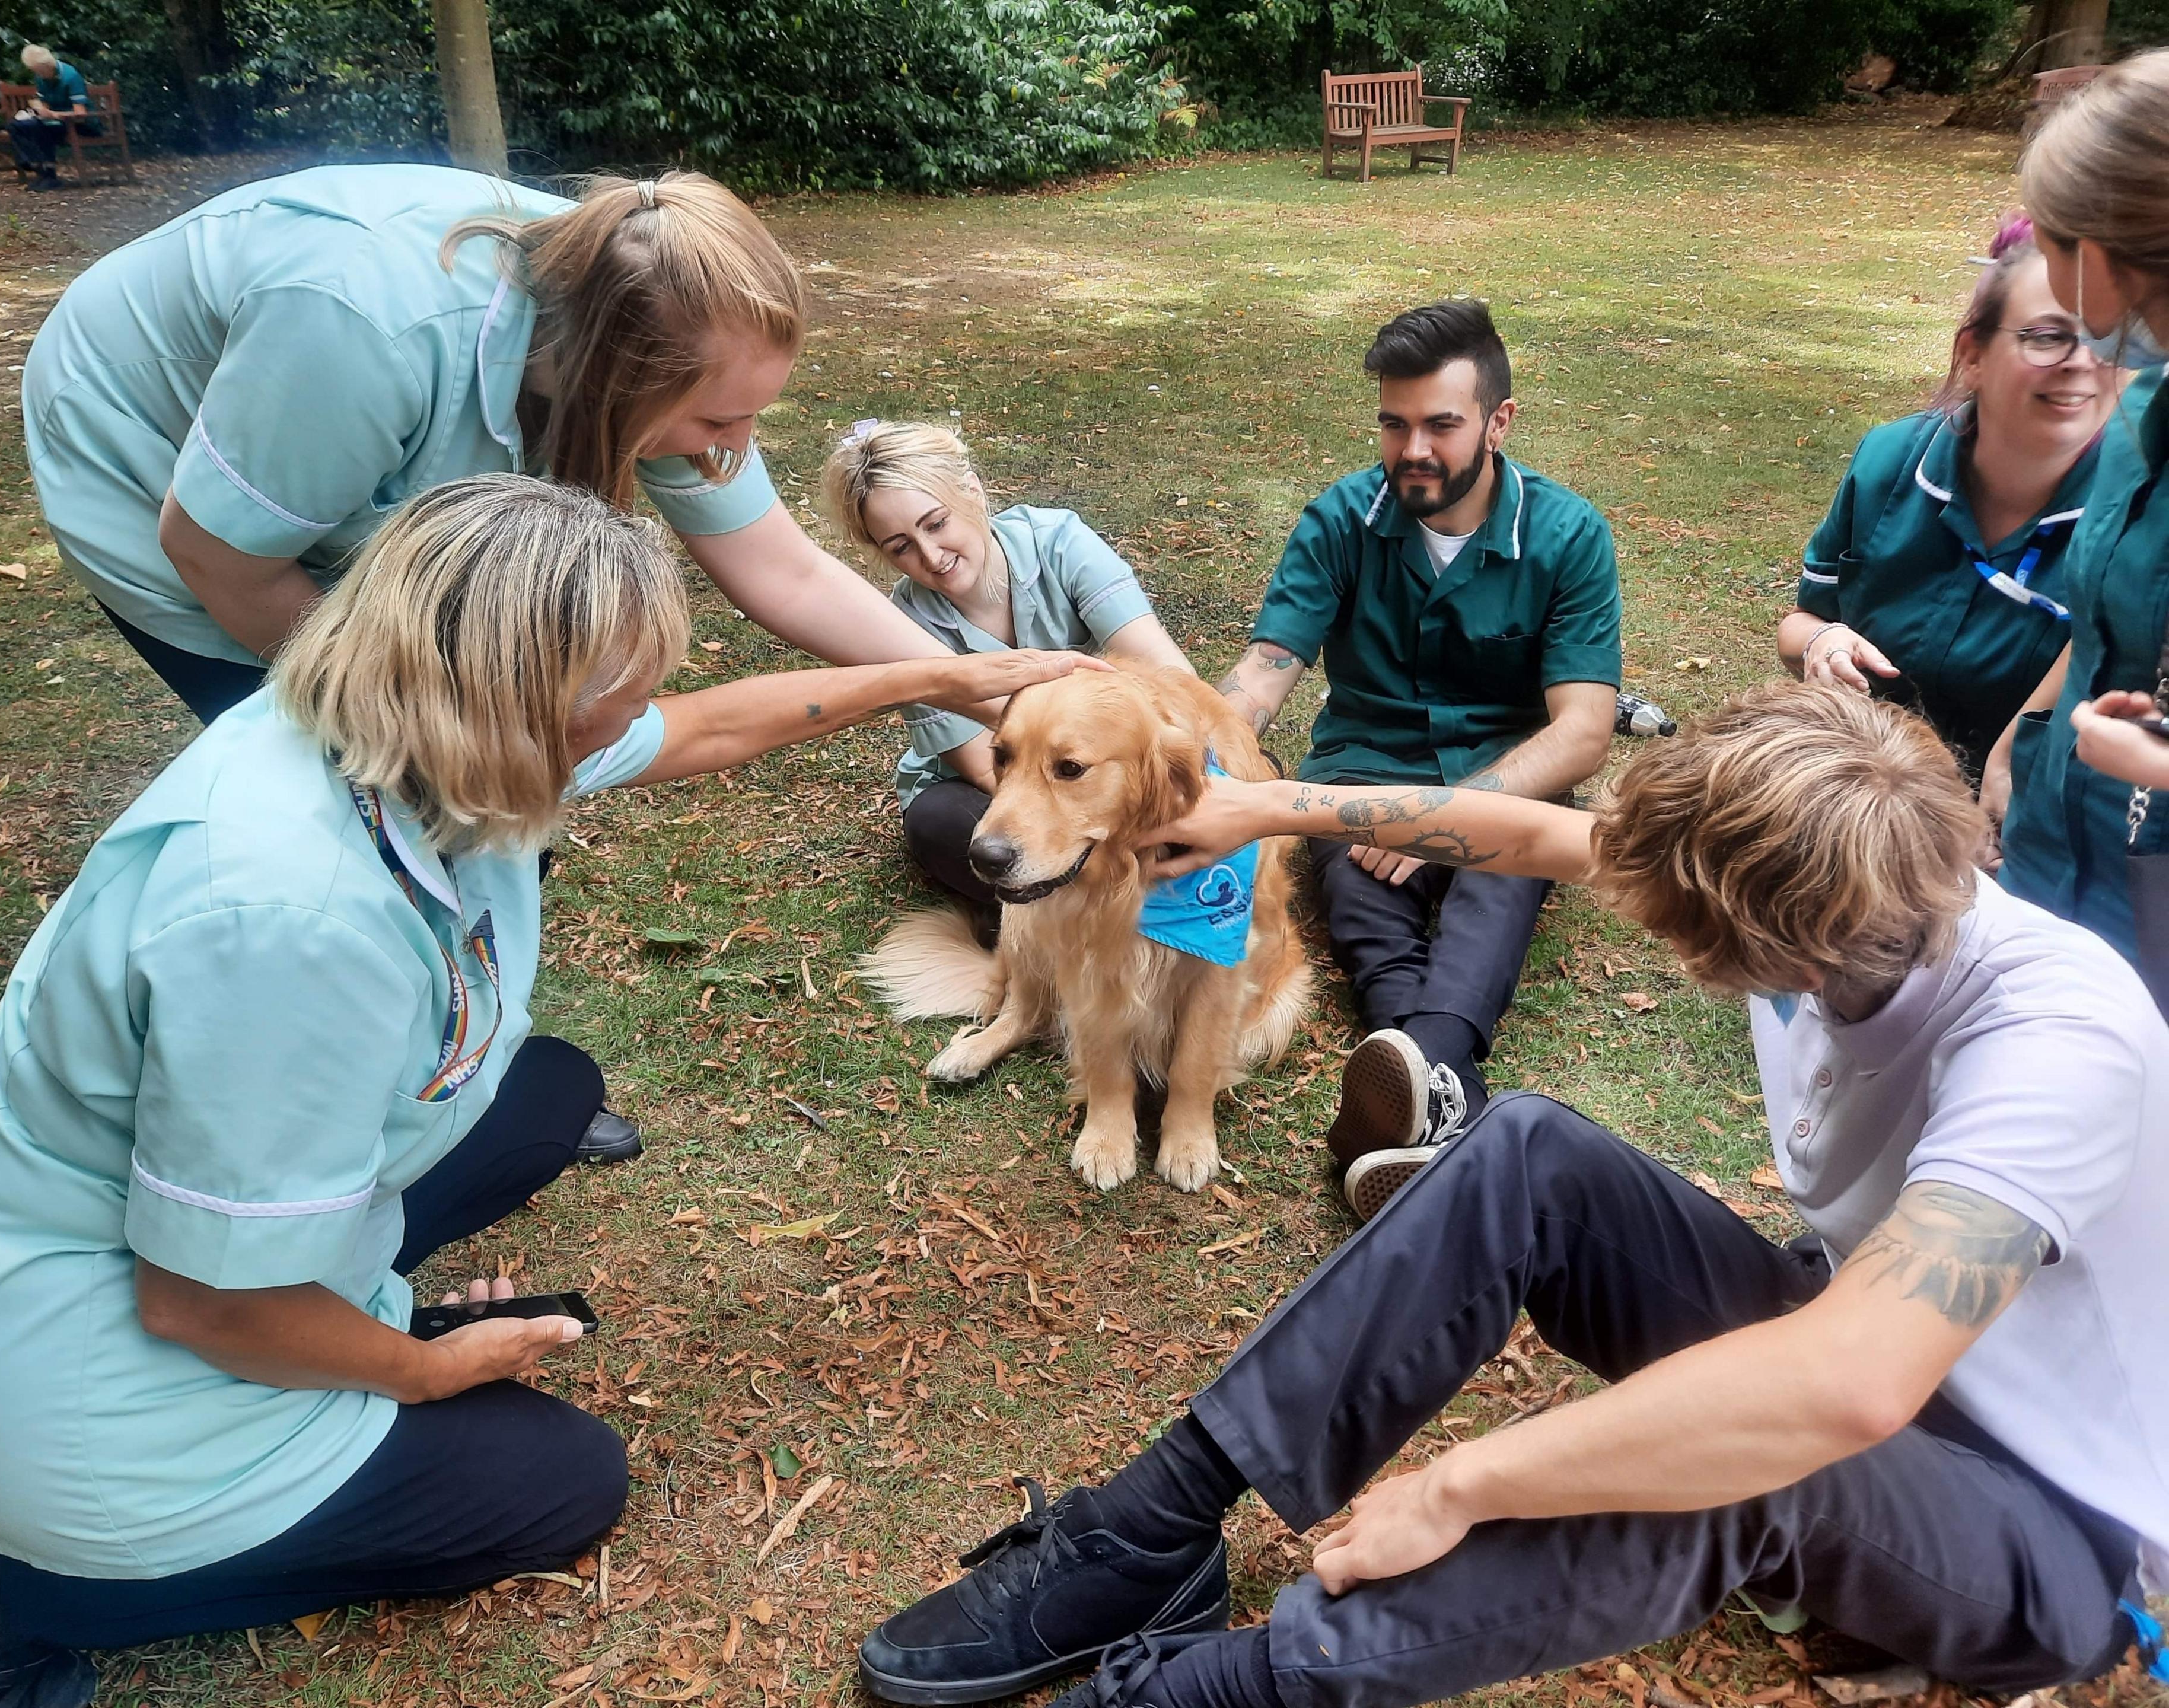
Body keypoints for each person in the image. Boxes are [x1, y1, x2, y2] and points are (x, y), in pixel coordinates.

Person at [0, 475, 1094, 1708]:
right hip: (72, 1374)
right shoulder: (290, 925)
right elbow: (202, 1303)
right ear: (517, 707)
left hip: (31, 1235)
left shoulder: (386, 715)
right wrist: (422, 1368)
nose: (635, 717)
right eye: (612, 697)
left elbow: (705, 730)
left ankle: (333, 1304)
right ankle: (3, 1587)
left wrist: (935, 680)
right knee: (557, 1482)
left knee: (547, 1092)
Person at [855, 683, 2167, 1708]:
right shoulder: (1837, 875)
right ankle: (1149, 1534)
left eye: (1674, 934)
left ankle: (1249, 1686)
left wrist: (1466, 1483)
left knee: (1757, 1459)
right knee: (1528, 1149)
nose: (1639, 922)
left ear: (1786, 950)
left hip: (2052, 1535)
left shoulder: (2060, 1039)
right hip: (1873, 1358)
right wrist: (1271, 809)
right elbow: (1536, 834)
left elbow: (1842, 1391)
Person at [21, 165, 985, 724]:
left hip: (335, 422)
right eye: (717, 423)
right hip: (141, 450)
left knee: (483, 767)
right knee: (366, 763)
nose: (734, 450)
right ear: (606, 375)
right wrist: (427, 725)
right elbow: (218, 554)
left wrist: (983, 688)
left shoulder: (654, 311)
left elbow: (790, 574)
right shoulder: (363, 329)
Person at [1214, 298, 1619, 1174]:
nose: (1414, 450)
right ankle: (1448, 1093)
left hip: (1506, 778)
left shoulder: (1568, 534)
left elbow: (1582, 734)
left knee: (1502, 875)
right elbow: (1262, 676)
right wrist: (1192, 753)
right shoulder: (1340, 520)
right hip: (1361, 771)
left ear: (1499, 421)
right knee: (1360, 900)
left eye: (1441, 423)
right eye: (1394, 426)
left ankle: (1424, 1084)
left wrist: (1450, 814)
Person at [1778, 212, 2113, 785]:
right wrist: (1822, 638)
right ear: (1974, 355)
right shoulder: (1890, 461)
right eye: (2048, 336)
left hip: (2037, 826)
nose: (2083, 361)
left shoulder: (2142, 511)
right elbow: (1804, 620)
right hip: (1864, 798)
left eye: (2106, 337)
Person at [820, 419, 1194, 923]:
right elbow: (979, 763)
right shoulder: (900, 624)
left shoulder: (1060, 542)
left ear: (972, 490)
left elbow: (1167, 674)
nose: (932, 556)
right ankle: (1072, 921)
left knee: (1190, 792)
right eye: (901, 546)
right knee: (939, 823)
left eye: (936, 523)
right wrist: (1064, 832)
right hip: (987, 786)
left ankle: (1099, 904)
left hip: (1085, 767)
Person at [1993, 50, 2169, 962]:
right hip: (2054, 855)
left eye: (2049, 243)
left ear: (2094, 257)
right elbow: (2106, 619)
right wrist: (2019, 743)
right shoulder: (2146, 407)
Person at [6, 46, 96, 193]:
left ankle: (47, 173)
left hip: (80, 124)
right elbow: (45, 107)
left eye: (39, 71)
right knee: (16, 126)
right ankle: (35, 166)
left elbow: (81, 114)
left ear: (47, 66)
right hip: (55, 122)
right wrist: (37, 112)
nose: (38, 75)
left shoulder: (71, 76)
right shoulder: (41, 79)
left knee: (41, 129)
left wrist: (53, 115)